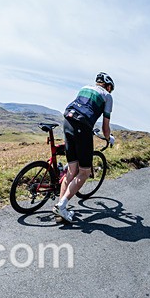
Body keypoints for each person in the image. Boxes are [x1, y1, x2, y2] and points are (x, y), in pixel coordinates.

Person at [55, 72, 116, 222]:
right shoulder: (108, 96)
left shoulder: (84, 88)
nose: (110, 91)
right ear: (108, 86)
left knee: (71, 170)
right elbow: (105, 126)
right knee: (84, 172)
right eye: (110, 89)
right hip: (82, 126)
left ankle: (60, 208)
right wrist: (109, 138)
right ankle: (62, 206)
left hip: (67, 121)